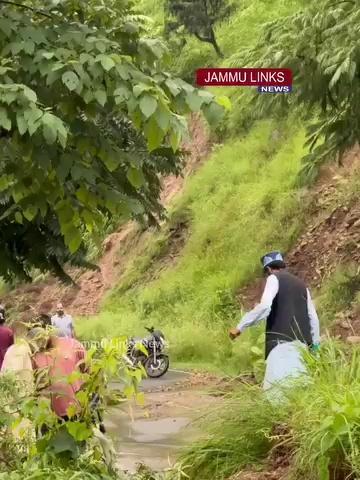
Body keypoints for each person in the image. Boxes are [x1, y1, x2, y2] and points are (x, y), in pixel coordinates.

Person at [229, 251, 320, 391]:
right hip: (301, 347)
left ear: (268, 269)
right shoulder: (302, 285)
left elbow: (265, 307)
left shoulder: (273, 279)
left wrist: (241, 326)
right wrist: (315, 347)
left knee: (276, 394)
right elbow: (313, 318)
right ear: (282, 266)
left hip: (280, 345)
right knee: (298, 393)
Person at [32, 330, 86, 420]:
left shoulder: (72, 344)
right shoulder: (34, 353)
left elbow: (87, 369)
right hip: (48, 414)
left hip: (75, 408)